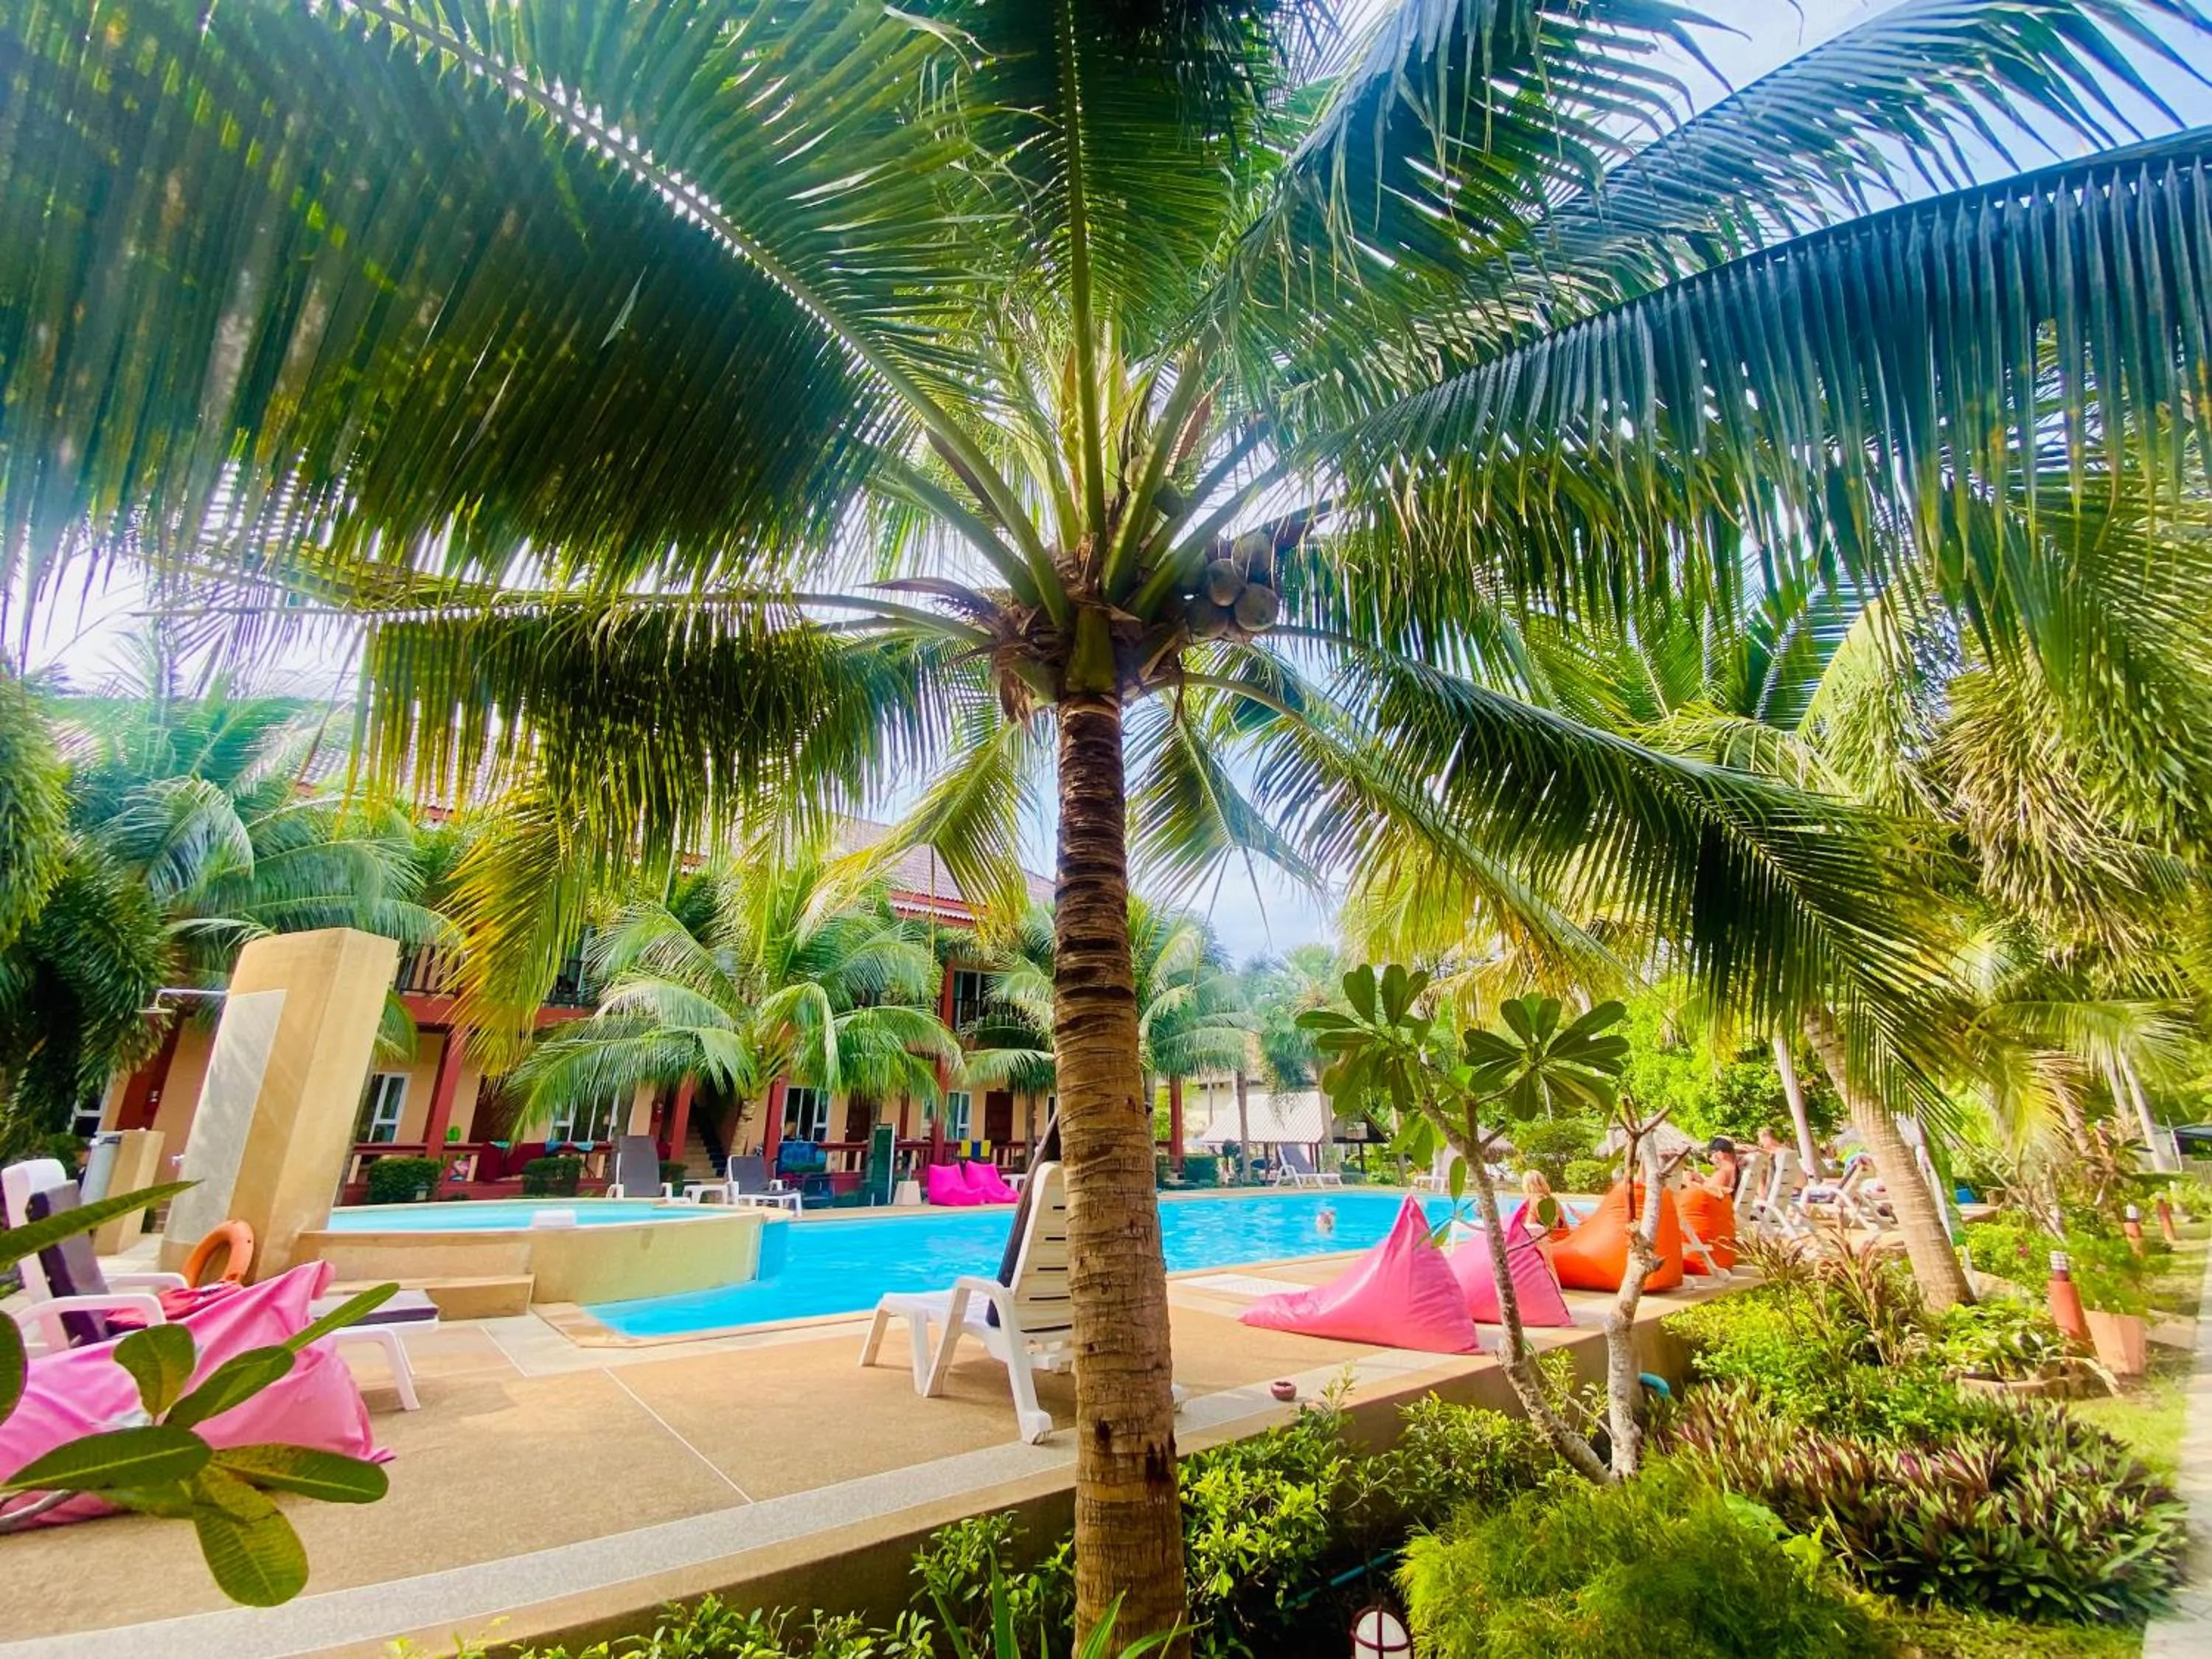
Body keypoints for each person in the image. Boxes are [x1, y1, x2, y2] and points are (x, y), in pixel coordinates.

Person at [1700, 1136, 1742, 1200]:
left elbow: (1707, 1197)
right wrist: (1701, 1181)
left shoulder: (1722, 1174)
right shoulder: (1733, 1170)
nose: (1710, 1160)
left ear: (1720, 1154)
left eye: (1710, 1155)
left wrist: (1689, 1182)